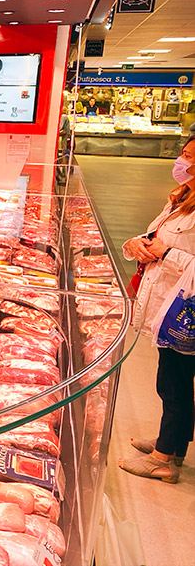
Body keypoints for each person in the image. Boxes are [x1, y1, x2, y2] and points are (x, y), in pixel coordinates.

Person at [120, 134, 195, 483]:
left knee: (173, 384)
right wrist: (137, 243)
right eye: (183, 154)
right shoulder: (182, 199)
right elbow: (156, 238)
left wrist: (166, 253)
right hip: (166, 306)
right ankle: (174, 444)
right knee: (174, 379)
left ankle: (163, 460)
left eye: (190, 157)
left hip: (184, 314)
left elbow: (175, 254)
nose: (182, 162)